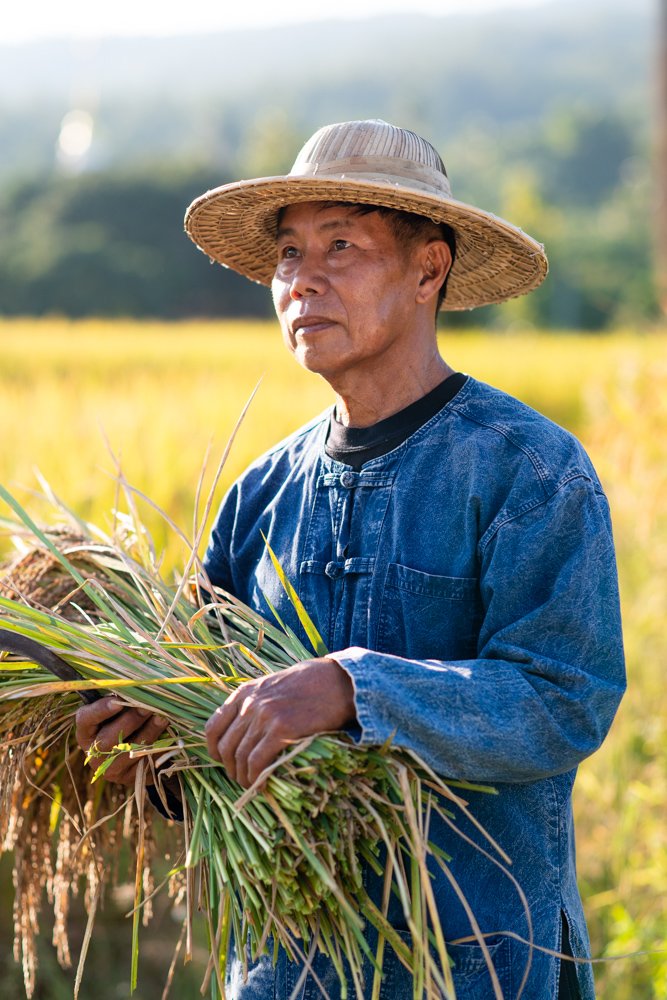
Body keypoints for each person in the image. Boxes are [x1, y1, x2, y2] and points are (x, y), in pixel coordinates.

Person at [77, 119, 625, 999]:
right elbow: (222, 729)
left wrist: (352, 688)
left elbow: (565, 700)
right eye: (289, 254)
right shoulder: (261, 494)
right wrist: (158, 744)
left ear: (427, 269)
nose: (304, 281)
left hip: (476, 959)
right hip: (286, 966)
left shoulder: (527, 469)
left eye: (343, 245)